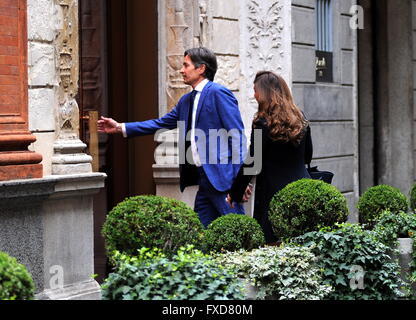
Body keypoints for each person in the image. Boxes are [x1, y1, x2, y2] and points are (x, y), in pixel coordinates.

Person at [97, 47, 246, 228]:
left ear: (201, 69)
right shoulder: (185, 101)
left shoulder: (218, 93)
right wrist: (121, 127)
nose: (181, 70)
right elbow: (160, 123)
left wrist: (241, 182)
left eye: (186, 65)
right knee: (200, 235)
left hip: (224, 180)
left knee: (237, 229)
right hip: (203, 180)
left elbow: (237, 136)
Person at [226, 71, 313, 244]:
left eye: (256, 91)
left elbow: (253, 161)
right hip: (302, 189)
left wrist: (235, 193)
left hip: (272, 194)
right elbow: (308, 155)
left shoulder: (262, 122)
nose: (254, 95)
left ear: (264, 93)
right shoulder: (300, 117)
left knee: (273, 244)